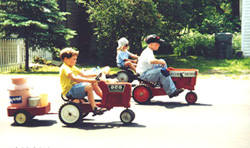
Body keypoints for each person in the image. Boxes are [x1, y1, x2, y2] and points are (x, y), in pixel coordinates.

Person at [59, 47, 107, 116]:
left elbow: (84, 74)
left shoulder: (72, 67)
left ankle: (105, 99)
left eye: (76, 59)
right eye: (74, 59)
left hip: (74, 88)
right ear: (66, 59)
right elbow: (75, 78)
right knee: (89, 87)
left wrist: (97, 74)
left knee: (93, 84)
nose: (76, 61)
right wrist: (91, 80)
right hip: (69, 90)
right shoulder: (65, 68)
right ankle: (94, 108)